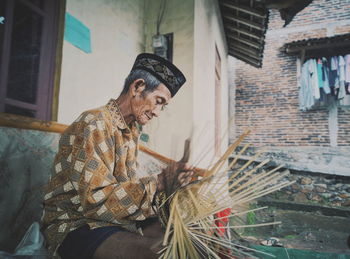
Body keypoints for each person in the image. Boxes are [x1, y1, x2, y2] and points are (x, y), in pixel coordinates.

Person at [42, 53, 193, 259]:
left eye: (163, 106)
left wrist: (170, 187)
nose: (158, 112)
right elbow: (94, 201)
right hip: (73, 224)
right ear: (137, 87)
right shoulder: (93, 123)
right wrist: (158, 182)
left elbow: (123, 189)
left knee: (179, 239)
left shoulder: (131, 132)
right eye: (158, 101)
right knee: (159, 252)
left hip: (110, 220)